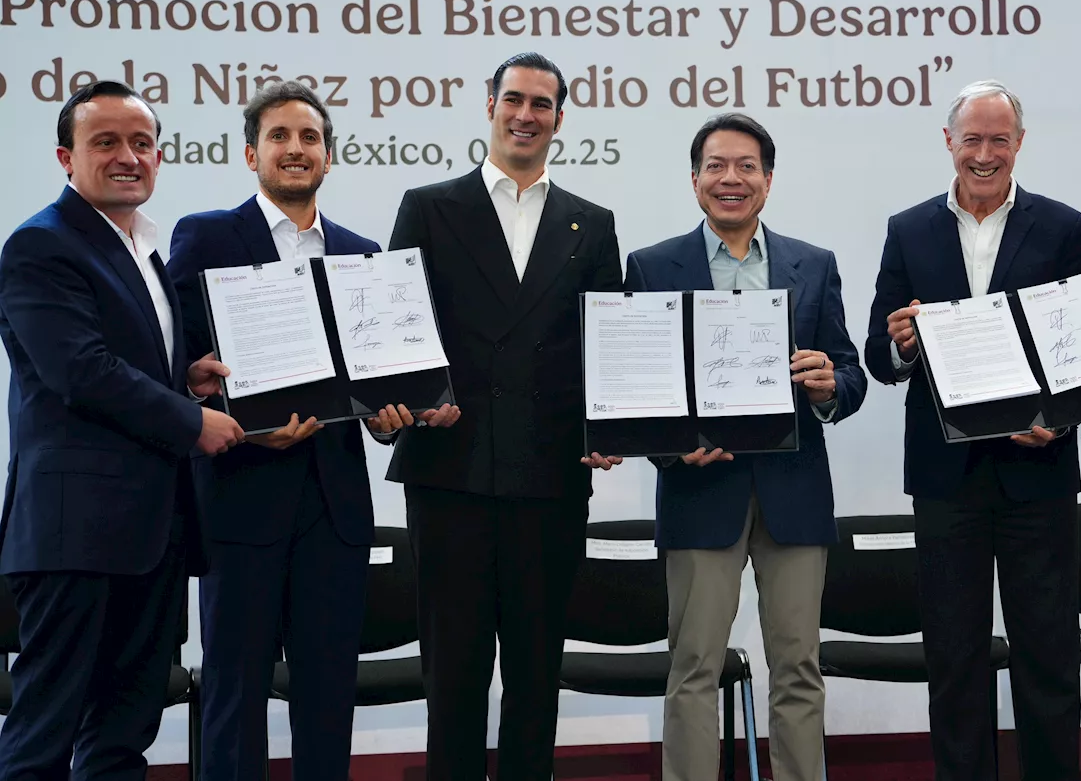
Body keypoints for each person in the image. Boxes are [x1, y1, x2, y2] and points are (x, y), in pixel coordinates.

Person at [166, 81, 459, 781]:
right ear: (250, 153)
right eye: (279, 137)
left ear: (330, 156)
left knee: (328, 698)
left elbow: (376, 380)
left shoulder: (362, 254)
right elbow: (171, 360)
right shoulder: (206, 235)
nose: (295, 150)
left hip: (335, 510)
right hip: (241, 500)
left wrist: (396, 418)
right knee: (234, 695)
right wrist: (225, 411)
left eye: (309, 138)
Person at [386, 52, 623, 781]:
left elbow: (605, 348)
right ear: (488, 104)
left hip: (550, 480)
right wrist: (395, 405)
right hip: (448, 474)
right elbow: (396, 330)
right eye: (513, 99)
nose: (526, 114)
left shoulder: (591, 222)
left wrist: (615, 426)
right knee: (452, 679)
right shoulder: (429, 205)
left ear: (560, 118)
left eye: (542, 104)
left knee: (534, 678)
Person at [0, 80, 243, 781]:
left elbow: (123, 364)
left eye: (141, 143)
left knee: (122, 736)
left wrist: (183, 381)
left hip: (151, 532)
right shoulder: (41, 245)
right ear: (65, 157)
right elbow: (80, 370)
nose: (128, 156)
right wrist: (189, 419)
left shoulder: (143, 248)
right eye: (105, 141)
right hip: (75, 533)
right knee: (44, 734)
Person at [624, 113, 867, 781]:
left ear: (767, 179)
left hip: (795, 492)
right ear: (695, 178)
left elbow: (850, 373)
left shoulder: (812, 265)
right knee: (694, 666)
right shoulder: (650, 266)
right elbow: (634, 387)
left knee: (797, 666)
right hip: (700, 491)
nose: (731, 178)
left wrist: (826, 385)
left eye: (747, 166)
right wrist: (674, 446)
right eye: (716, 166)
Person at [865, 80, 1081, 780]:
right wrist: (903, 342)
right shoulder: (909, 229)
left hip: (1038, 477)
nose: (985, 153)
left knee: (1047, 656)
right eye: (973, 139)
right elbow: (879, 354)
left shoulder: (1062, 226)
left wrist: (1053, 419)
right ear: (949, 143)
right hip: (945, 481)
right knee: (955, 659)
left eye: (1000, 139)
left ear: (1019, 144)